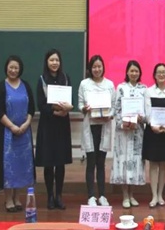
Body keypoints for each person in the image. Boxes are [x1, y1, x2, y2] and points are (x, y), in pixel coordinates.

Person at [0, 55, 36, 213]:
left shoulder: (26, 86)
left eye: (16, 68)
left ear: (20, 69)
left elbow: (31, 109)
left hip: (24, 133)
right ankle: (8, 199)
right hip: (7, 133)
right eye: (11, 67)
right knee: (8, 166)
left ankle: (17, 197)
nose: (13, 70)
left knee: (21, 166)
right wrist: (12, 126)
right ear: (6, 68)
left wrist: (25, 124)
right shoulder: (0, 87)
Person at [35, 48, 73, 210]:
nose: (54, 63)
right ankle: (50, 196)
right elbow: (41, 104)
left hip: (62, 125)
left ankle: (59, 196)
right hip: (48, 125)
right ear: (47, 62)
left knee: (60, 162)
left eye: (57, 60)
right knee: (49, 162)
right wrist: (54, 111)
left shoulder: (66, 78)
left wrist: (67, 109)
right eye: (51, 60)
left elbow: (70, 101)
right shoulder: (42, 79)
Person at [77, 55, 114, 207]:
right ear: (90, 69)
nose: (97, 69)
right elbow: (80, 104)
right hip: (90, 126)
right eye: (94, 67)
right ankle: (91, 196)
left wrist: (110, 115)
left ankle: (102, 195)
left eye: (99, 66)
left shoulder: (109, 84)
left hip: (104, 126)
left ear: (103, 67)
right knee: (91, 162)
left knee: (101, 162)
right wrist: (84, 108)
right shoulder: (84, 84)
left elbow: (114, 106)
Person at [110, 60, 147, 209]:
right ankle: (125, 195)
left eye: (136, 71)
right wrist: (123, 123)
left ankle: (132, 195)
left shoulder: (144, 89)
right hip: (123, 132)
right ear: (127, 72)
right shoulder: (121, 88)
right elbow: (116, 109)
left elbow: (146, 110)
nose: (134, 73)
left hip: (138, 131)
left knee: (135, 162)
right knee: (124, 161)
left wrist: (141, 118)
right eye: (131, 70)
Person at [143, 63, 165, 208]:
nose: (161, 75)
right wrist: (153, 126)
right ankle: (154, 195)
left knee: (163, 164)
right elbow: (147, 111)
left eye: (164, 72)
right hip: (152, 131)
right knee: (153, 164)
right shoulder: (148, 91)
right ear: (154, 75)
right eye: (159, 72)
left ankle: (160, 194)